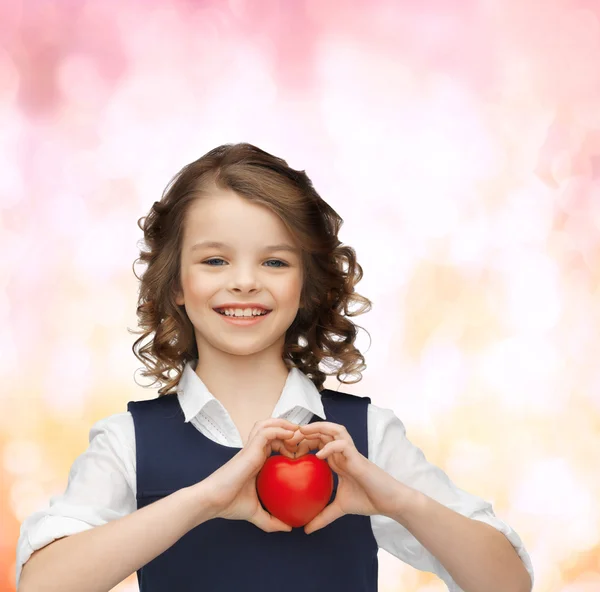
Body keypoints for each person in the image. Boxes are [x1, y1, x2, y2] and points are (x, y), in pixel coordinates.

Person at [16, 143, 534, 592]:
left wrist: (397, 501)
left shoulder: (365, 440)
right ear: (175, 284)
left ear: (306, 286)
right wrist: (202, 500)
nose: (244, 282)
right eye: (215, 260)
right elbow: (40, 584)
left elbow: (507, 582)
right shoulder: (127, 443)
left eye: (275, 262)